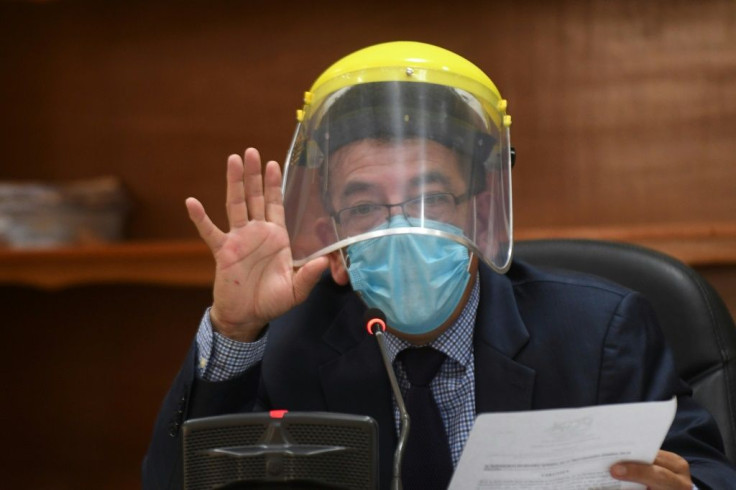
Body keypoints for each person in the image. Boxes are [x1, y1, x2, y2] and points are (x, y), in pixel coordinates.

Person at [142, 41, 736, 489]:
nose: (403, 227)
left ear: (478, 218)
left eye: (430, 201)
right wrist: (235, 331)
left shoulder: (601, 333)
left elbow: (707, 472)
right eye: (367, 206)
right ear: (335, 245)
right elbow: (174, 482)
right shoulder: (287, 348)